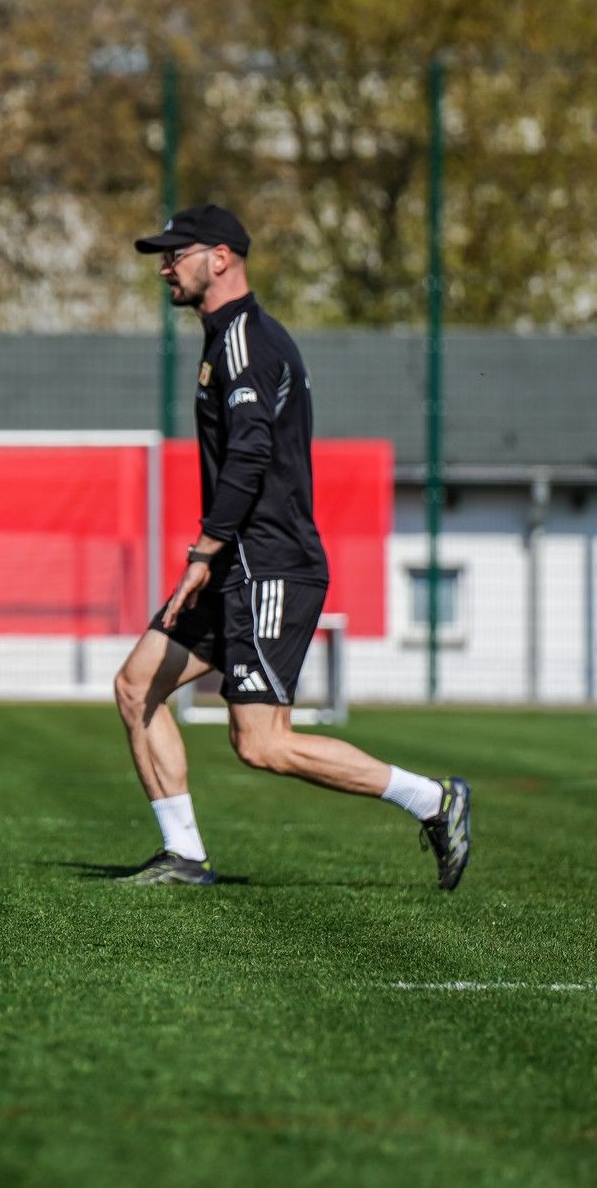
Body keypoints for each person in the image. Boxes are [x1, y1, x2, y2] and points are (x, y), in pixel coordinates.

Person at [114, 205, 471, 889]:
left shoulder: (247, 341)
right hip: (238, 565)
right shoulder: (227, 340)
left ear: (220, 257)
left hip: (268, 567)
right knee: (137, 686)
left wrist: (203, 552)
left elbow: (250, 455)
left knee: (261, 743)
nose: (164, 268)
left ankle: (434, 800)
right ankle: (183, 855)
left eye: (175, 254)